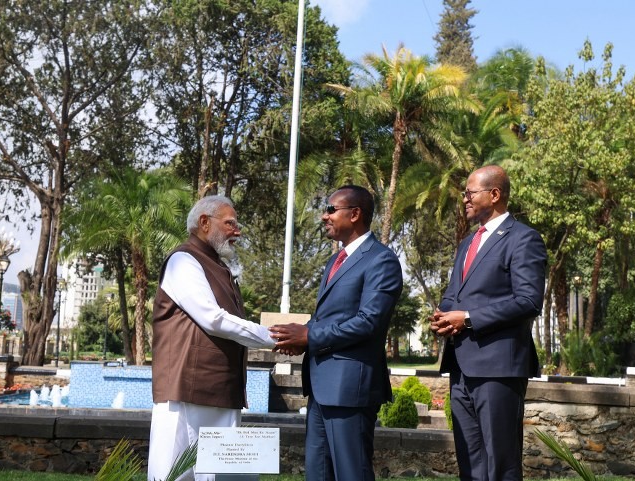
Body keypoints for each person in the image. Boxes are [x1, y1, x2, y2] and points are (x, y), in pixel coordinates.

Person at [270, 185, 403, 481]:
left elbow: (369, 321)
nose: (324, 216)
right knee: (318, 473)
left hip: (350, 389)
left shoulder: (381, 260)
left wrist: (309, 336)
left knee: (351, 473)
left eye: (331, 209)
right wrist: (302, 338)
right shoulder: (335, 260)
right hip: (321, 388)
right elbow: (329, 318)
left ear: (354, 214)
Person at [147, 195, 276, 481]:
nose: (237, 231)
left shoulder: (217, 266)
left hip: (220, 389)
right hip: (185, 390)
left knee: (221, 475)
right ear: (204, 222)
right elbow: (212, 318)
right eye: (230, 223)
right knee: (176, 474)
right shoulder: (183, 260)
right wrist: (274, 337)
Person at [430, 165, 546, 481]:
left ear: (494, 194)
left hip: (498, 368)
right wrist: (444, 318)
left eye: (470, 193)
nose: (464, 199)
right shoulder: (467, 244)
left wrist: (466, 319)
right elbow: (454, 294)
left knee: (500, 464)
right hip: (461, 366)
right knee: (471, 463)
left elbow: (528, 301)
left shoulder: (524, 239)